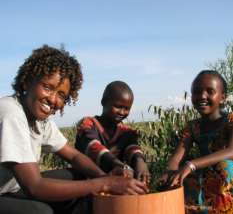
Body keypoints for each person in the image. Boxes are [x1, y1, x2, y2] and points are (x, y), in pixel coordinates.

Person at [0, 46, 148, 214]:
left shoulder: (40, 120)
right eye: (47, 87)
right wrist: (105, 183)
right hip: (11, 190)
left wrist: (102, 177)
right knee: (40, 212)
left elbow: (74, 155)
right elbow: (34, 186)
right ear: (27, 82)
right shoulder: (11, 113)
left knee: (80, 177)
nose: (53, 99)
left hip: (11, 189)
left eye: (62, 95)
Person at [161, 70, 233, 213]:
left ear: (222, 97)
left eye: (210, 91)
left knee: (225, 165)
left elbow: (232, 152)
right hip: (207, 177)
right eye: (196, 92)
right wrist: (169, 173)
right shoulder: (193, 127)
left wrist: (192, 164)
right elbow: (177, 157)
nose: (202, 96)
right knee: (181, 178)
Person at [75, 81, 150, 183]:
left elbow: (132, 147)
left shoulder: (126, 132)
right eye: (118, 106)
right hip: (89, 180)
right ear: (104, 102)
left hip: (117, 181)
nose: (122, 112)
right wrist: (118, 165)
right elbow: (94, 148)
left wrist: (139, 161)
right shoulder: (88, 125)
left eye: (127, 108)